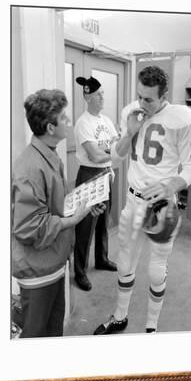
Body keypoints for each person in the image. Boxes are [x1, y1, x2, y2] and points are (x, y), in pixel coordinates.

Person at [93, 66, 191, 335]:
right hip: (133, 200)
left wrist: (170, 185)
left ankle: (151, 326)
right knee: (125, 262)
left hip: (161, 206)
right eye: (139, 96)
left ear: (164, 95)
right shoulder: (131, 111)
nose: (142, 103)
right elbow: (116, 158)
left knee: (156, 268)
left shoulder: (183, 118)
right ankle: (120, 316)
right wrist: (129, 132)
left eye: (149, 99)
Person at [12, 88, 105, 338]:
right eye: (64, 118)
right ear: (51, 128)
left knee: (53, 334)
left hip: (53, 263)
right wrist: (72, 220)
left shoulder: (50, 156)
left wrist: (84, 205)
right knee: (36, 338)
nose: (70, 122)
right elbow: (28, 227)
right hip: (37, 271)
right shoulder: (30, 168)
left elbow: (54, 204)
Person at [73, 76, 119, 292]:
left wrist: (109, 158)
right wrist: (112, 153)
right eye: (98, 94)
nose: (102, 97)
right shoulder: (83, 123)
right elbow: (94, 155)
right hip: (89, 176)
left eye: (102, 94)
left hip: (105, 175)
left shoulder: (106, 121)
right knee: (85, 227)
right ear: (87, 96)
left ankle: (102, 259)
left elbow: (115, 146)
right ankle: (80, 271)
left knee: (103, 222)